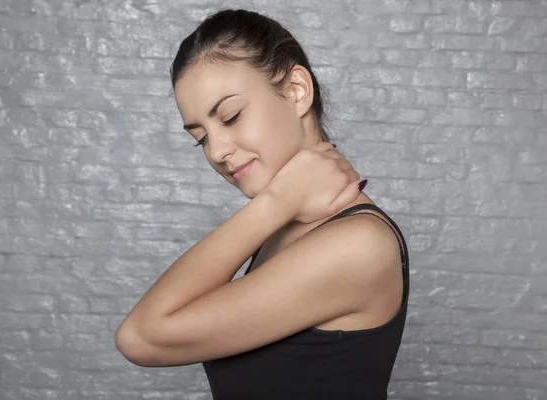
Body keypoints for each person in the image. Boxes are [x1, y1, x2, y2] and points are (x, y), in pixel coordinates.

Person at [115, 8, 410, 400]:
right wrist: (280, 205)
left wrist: (275, 202)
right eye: (201, 137)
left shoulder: (357, 245)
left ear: (296, 90)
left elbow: (141, 337)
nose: (217, 150)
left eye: (231, 116)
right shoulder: (289, 225)